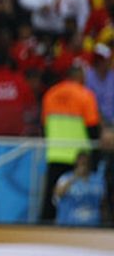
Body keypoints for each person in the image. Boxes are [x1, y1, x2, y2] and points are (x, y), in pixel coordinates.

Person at [39, 63, 102, 222]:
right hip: (79, 158)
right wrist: (95, 156)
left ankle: (43, 235)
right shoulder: (85, 95)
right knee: (82, 203)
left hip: (55, 154)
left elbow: (44, 126)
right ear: (80, 76)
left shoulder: (50, 94)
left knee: (51, 202)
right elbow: (93, 129)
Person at [54, 151, 106, 227]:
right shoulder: (65, 177)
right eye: (81, 162)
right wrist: (75, 177)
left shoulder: (98, 179)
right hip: (69, 224)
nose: (83, 165)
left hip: (93, 224)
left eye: (85, 162)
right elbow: (58, 194)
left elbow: (103, 201)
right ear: (76, 163)